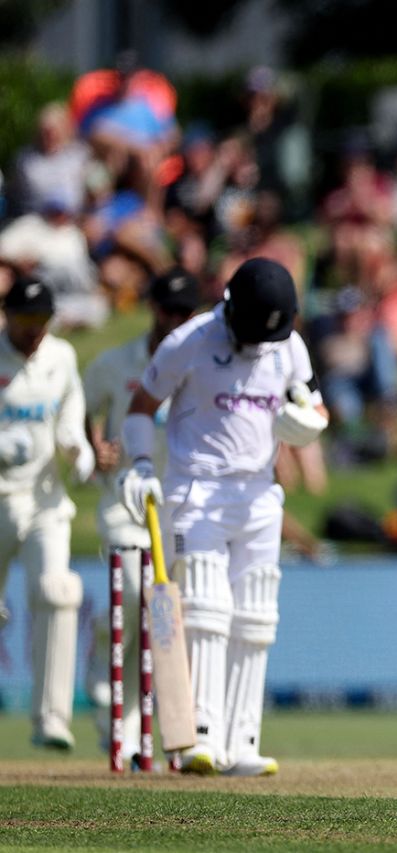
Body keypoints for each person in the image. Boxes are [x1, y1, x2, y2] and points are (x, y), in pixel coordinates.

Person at [115, 258, 329, 776]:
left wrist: (308, 426)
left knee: (256, 617)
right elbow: (141, 407)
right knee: (207, 609)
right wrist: (141, 464)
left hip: (258, 494)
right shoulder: (189, 341)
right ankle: (199, 738)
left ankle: (243, 742)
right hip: (197, 489)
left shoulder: (288, 346)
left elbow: (314, 406)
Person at [82, 268, 201, 766]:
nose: (173, 320)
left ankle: (133, 730)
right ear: (152, 308)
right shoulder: (114, 363)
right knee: (129, 598)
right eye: (166, 310)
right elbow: (82, 416)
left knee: (165, 622)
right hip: (124, 502)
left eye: (183, 313)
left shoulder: (200, 365)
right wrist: (95, 448)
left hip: (179, 507)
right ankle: (104, 702)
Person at [0, 277, 95, 749]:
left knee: (57, 593)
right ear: (7, 315)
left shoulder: (61, 357)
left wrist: (79, 454)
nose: (33, 329)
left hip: (44, 502)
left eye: (41, 320)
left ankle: (51, 719)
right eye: (24, 319)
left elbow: (72, 421)